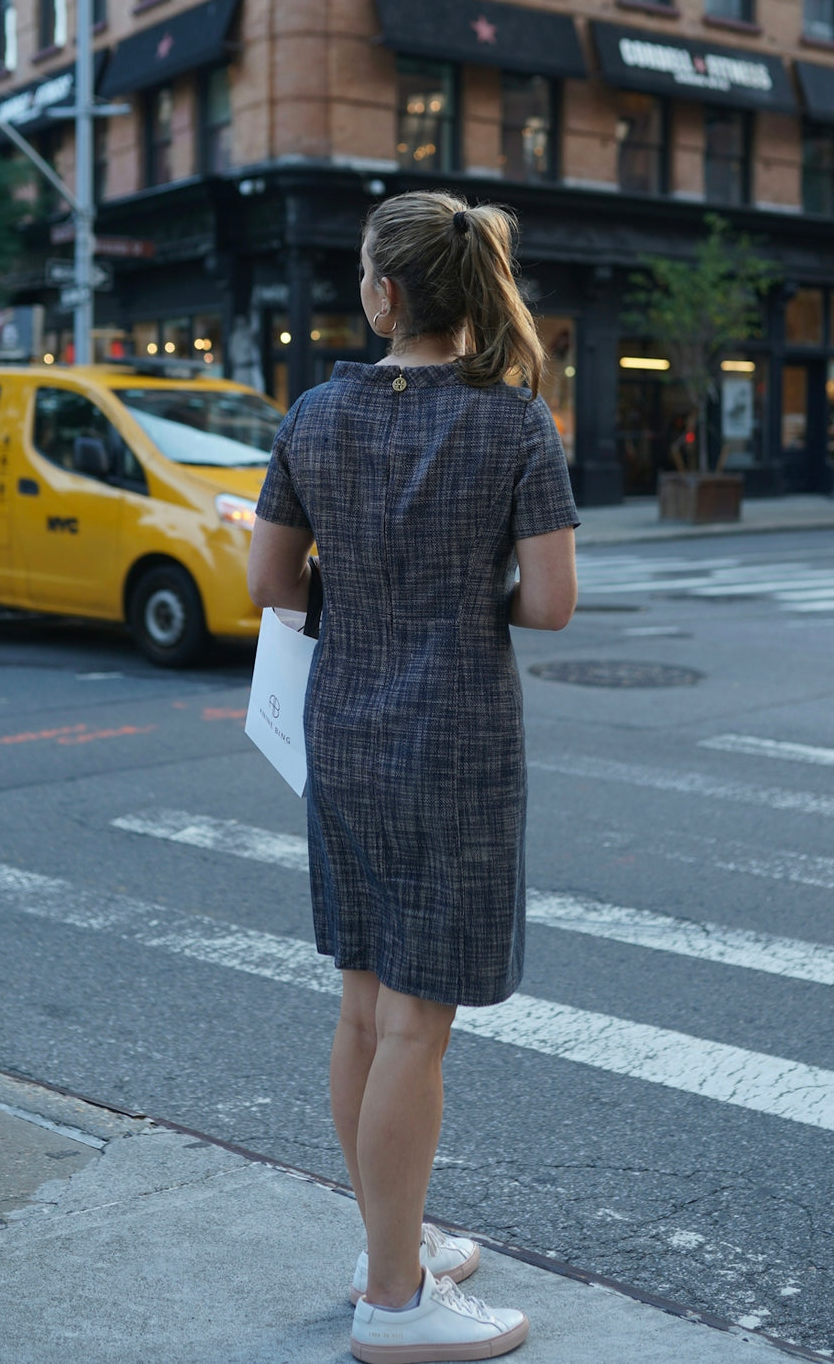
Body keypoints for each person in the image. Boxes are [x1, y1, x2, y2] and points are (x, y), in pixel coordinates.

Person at [247, 191, 579, 1363]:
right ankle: (394, 1300)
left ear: (385, 294)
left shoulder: (315, 415)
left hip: (341, 729)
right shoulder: (514, 425)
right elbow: (547, 602)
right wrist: (450, 600)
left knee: (361, 1004)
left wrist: (369, 601)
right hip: (457, 739)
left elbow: (270, 583)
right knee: (416, 1029)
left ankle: (390, 1244)